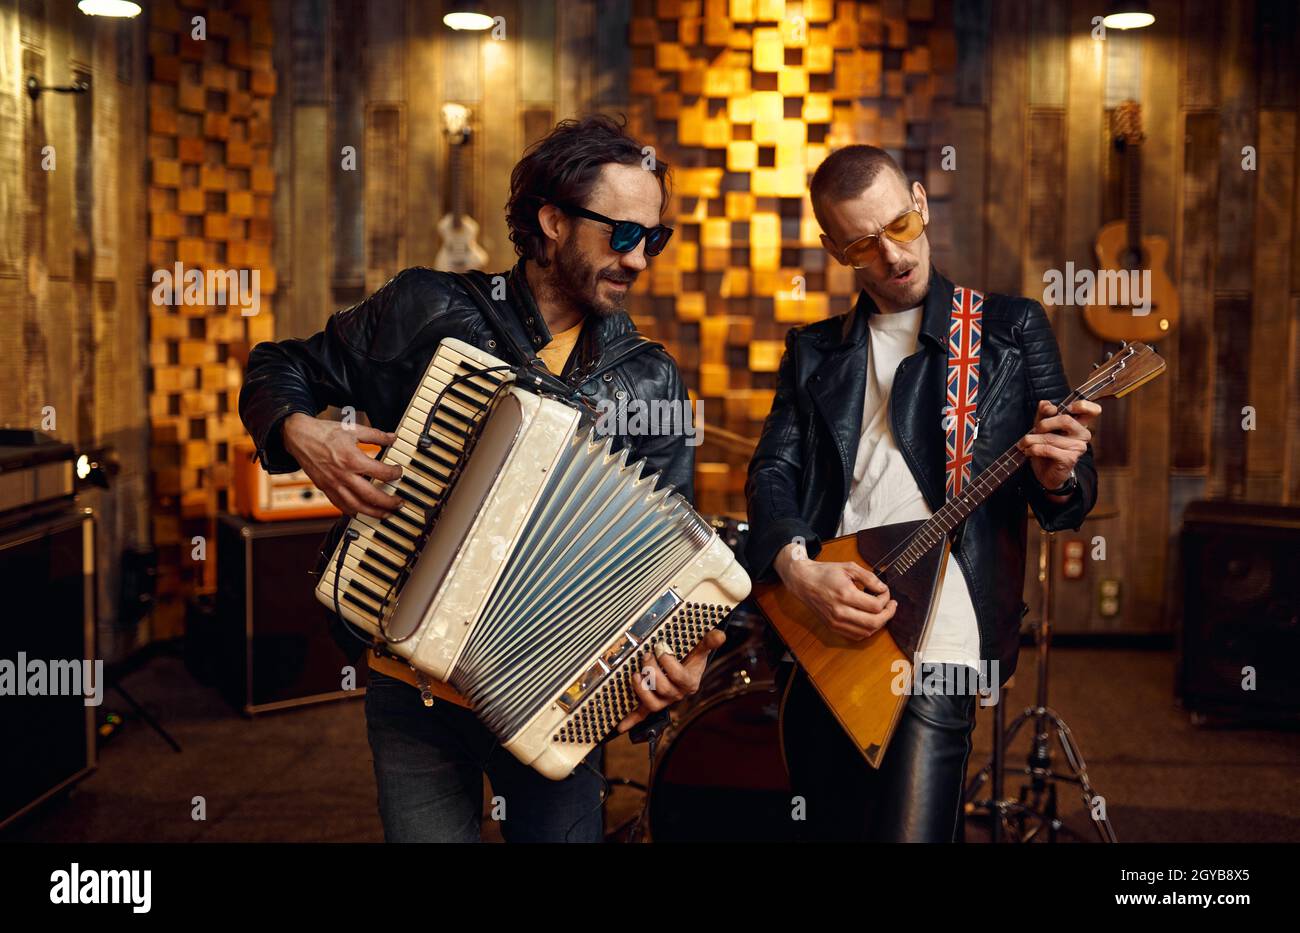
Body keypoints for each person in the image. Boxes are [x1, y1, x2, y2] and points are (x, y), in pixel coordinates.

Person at [238, 114, 722, 842]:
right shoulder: (431, 306)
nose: (639, 259)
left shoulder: (650, 379)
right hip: (413, 691)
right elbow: (280, 365)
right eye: (622, 233)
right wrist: (302, 432)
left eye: (654, 238)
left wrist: (678, 661)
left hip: (551, 705)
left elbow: (669, 568)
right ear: (553, 220)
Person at [745, 144, 1100, 842]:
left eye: (900, 227)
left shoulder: (1006, 329)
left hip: (942, 631)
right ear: (834, 250)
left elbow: (1074, 488)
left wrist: (1057, 475)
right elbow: (771, 473)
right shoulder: (813, 351)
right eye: (862, 244)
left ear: (920, 200)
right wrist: (799, 570)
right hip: (827, 612)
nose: (892, 256)